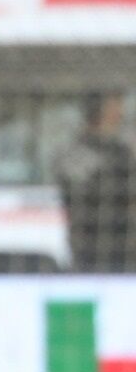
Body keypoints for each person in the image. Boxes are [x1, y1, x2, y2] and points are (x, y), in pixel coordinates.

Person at [55, 94, 135, 271]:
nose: (121, 114)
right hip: (104, 244)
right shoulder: (115, 153)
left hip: (107, 244)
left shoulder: (121, 150)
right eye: (117, 107)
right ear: (106, 110)